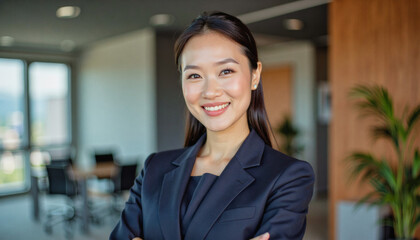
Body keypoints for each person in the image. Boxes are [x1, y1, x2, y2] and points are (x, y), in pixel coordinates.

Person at [110, 11, 314, 240]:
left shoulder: (287, 177)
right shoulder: (154, 168)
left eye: (226, 71)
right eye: (195, 76)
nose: (210, 91)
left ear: (255, 76)